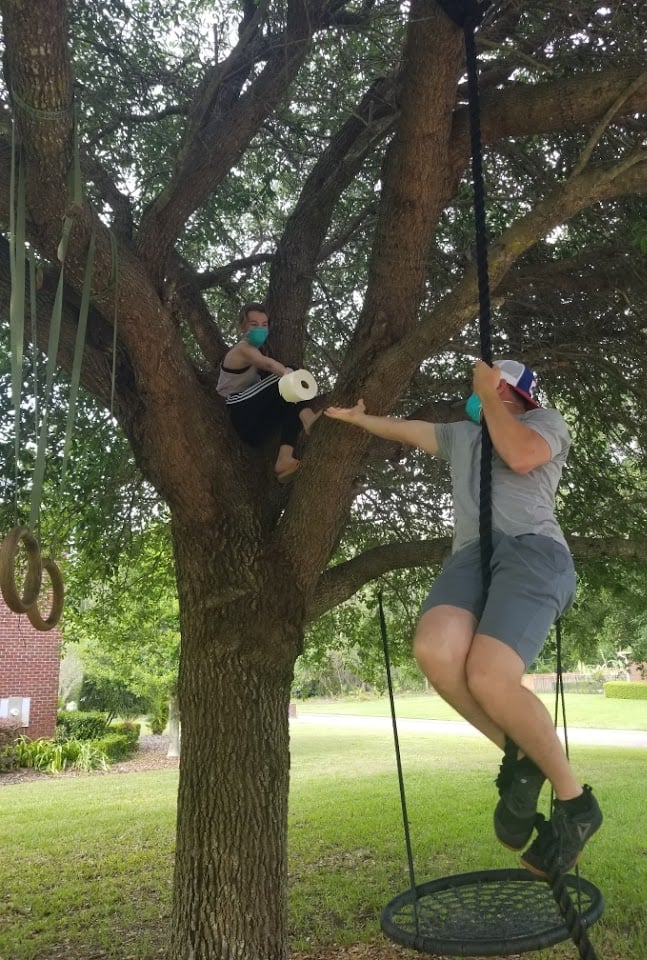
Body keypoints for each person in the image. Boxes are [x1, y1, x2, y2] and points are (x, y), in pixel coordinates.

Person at [324, 358, 602, 877]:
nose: (472, 397)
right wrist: (363, 420)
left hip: (531, 549)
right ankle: (521, 759)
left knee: (490, 676)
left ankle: (575, 806)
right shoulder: (462, 436)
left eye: (487, 389)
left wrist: (489, 396)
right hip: (472, 554)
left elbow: (519, 457)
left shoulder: (545, 423)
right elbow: (409, 430)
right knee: (435, 649)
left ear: (505, 389)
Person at [217, 302, 318, 481]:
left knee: (289, 400)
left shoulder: (256, 351)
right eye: (254, 325)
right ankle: (308, 417)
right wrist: (288, 373)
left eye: (264, 325)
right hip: (240, 411)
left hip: (255, 432)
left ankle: (284, 458)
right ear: (242, 327)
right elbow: (269, 364)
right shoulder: (242, 349)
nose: (260, 329)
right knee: (288, 375)